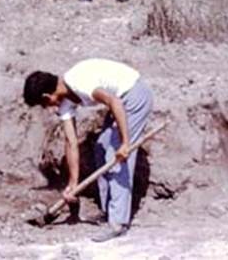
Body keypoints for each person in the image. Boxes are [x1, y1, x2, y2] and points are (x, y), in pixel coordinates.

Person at [23, 58, 153, 242]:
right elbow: (71, 142)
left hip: (134, 95)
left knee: (114, 157)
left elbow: (114, 102)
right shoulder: (65, 102)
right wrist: (73, 183)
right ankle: (109, 211)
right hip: (119, 102)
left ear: (47, 96)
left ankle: (118, 223)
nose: (48, 108)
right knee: (101, 150)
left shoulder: (79, 82)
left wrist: (125, 143)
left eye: (44, 104)